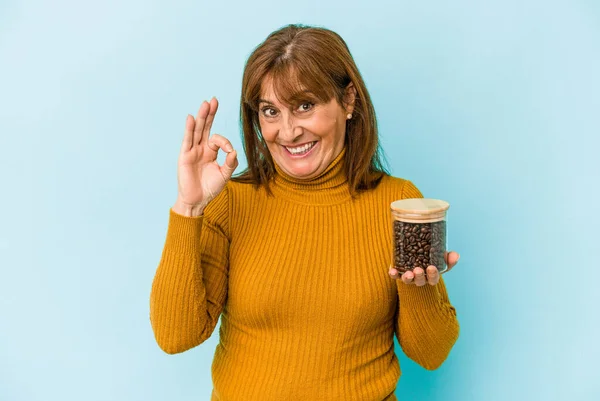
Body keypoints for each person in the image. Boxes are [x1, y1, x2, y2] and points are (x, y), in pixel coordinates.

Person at [149, 24, 460, 401]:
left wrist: (419, 289)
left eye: (305, 106)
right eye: (270, 111)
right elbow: (175, 336)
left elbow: (431, 354)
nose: (288, 131)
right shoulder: (232, 201)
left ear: (348, 101)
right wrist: (189, 208)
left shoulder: (397, 203)